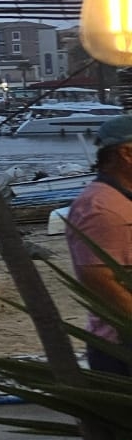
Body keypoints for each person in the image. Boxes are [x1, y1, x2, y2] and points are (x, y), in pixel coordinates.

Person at [66, 115, 132, 377]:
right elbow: (99, 280)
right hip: (121, 346)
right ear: (126, 153)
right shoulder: (101, 209)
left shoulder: (121, 200)